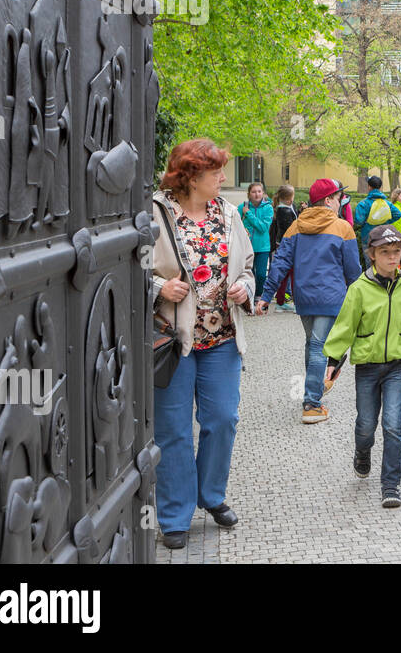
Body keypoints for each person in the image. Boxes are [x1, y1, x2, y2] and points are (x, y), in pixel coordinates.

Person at [150, 139, 256, 550]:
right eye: (216, 173)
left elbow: (246, 266)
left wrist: (245, 288)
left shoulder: (228, 213)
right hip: (174, 341)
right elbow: (127, 265)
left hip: (222, 339)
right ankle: (174, 514)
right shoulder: (155, 212)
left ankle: (210, 496)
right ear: (192, 176)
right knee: (173, 430)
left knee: (222, 420)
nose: (224, 179)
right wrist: (160, 286)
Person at [324, 225, 401, 508]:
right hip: (367, 367)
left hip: (397, 367)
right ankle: (363, 453)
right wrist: (333, 360)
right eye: (385, 252)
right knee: (365, 424)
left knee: (394, 425)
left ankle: (391, 485)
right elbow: (345, 326)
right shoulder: (359, 289)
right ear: (372, 255)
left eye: (396, 252)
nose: (392, 257)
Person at [257, 178, 360, 423]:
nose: (340, 202)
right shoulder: (342, 227)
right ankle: (312, 403)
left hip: (304, 297)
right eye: (337, 198)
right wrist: (361, 298)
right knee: (318, 347)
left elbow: (280, 262)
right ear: (327, 200)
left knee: (312, 344)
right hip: (331, 297)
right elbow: (353, 270)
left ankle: (313, 393)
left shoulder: (296, 226)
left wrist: (266, 295)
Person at [238, 181, 274, 301]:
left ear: (263, 193)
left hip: (263, 247)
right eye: (253, 192)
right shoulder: (241, 207)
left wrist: (248, 214)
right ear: (249, 194)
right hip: (246, 247)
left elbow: (263, 228)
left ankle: (258, 295)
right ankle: (250, 296)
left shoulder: (268, 208)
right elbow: (235, 225)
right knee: (249, 274)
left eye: (259, 191)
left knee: (261, 275)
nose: (257, 194)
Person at [269, 184, 298, 312]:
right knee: (293, 273)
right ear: (289, 199)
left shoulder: (285, 208)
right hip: (289, 245)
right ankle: (293, 302)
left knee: (285, 274)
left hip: (283, 244)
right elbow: (293, 227)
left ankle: (281, 301)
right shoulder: (284, 211)